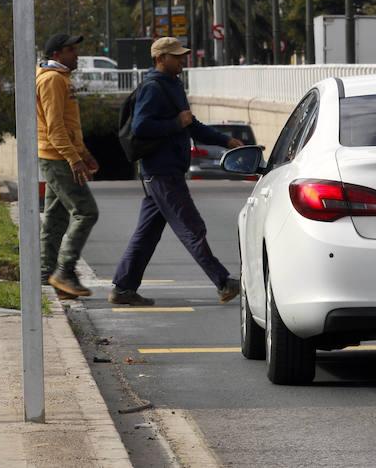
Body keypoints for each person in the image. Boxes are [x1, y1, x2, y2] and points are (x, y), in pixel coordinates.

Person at [110, 37, 243, 307]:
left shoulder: (172, 86)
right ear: (160, 59)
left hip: (164, 173)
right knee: (191, 227)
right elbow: (142, 127)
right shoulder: (153, 88)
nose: (183, 60)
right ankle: (223, 281)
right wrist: (175, 123)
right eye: (177, 56)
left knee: (146, 235)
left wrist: (226, 141)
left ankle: (123, 289)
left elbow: (191, 126)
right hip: (161, 172)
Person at [37, 32, 100, 299]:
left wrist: (84, 153)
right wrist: (74, 159)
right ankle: (65, 270)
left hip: (60, 155)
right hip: (57, 157)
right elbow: (56, 129)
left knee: (55, 217)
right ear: (56, 55)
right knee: (86, 212)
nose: (77, 55)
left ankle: (47, 274)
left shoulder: (61, 78)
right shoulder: (52, 80)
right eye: (71, 50)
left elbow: (69, 125)